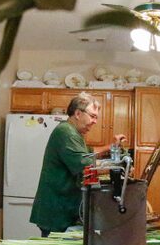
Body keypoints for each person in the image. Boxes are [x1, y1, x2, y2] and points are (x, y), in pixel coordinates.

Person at [30, 92, 126, 236]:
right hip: (56, 210)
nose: (95, 121)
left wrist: (111, 146)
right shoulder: (66, 132)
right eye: (93, 116)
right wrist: (118, 166)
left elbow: (89, 153)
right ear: (78, 113)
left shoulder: (73, 132)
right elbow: (86, 166)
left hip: (63, 207)